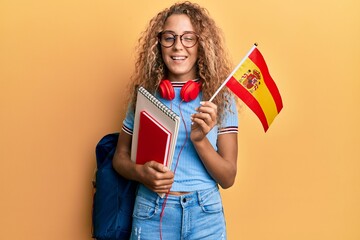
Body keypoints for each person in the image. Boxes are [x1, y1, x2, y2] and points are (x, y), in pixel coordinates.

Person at [112, 1, 238, 239]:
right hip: (151, 210)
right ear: (158, 44)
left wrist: (200, 141)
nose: (178, 46)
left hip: (205, 215)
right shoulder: (145, 95)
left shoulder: (220, 98)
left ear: (201, 45)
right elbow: (120, 158)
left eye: (188, 37)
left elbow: (228, 177)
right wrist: (140, 173)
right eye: (169, 37)